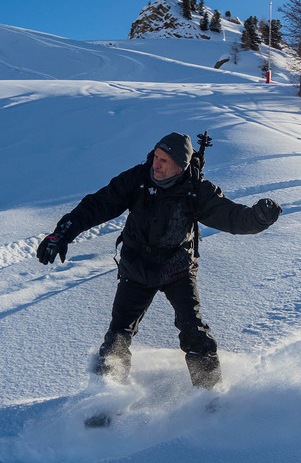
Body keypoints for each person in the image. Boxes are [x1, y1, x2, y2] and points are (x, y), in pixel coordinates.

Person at [36, 132, 281, 390]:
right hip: (137, 266)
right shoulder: (138, 179)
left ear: (180, 166)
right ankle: (105, 395)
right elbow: (97, 204)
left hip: (177, 267)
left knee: (194, 332)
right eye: (155, 156)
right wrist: (61, 233)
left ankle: (209, 396)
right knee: (117, 336)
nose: (156, 164)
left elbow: (231, 216)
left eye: (164, 160)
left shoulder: (196, 189)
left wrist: (258, 218)